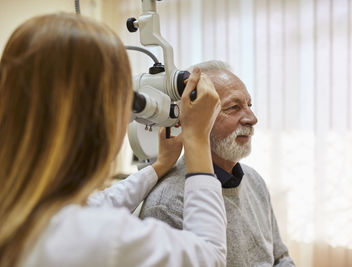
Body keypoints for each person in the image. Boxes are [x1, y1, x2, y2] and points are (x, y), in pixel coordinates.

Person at [0, 14, 226, 267]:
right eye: (128, 101)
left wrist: (160, 165)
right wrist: (197, 139)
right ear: (100, 117)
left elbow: (98, 204)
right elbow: (210, 257)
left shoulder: (22, 207)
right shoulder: (100, 238)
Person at [140, 60, 296, 267]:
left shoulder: (254, 180)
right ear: (195, 118)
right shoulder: (167, 205)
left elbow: (280, 257)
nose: (252, 118)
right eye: (234, 107)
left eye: (249, 105)